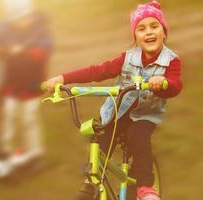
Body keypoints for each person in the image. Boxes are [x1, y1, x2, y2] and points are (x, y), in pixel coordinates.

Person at [43, 1, 181, 199]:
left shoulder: (171, 61)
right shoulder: (127, 58)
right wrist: (63, 79)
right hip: (118, 111)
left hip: (145, 115)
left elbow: (176, 85)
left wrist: (164, 83)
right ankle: (93, 180)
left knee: (138, 138)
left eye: (154, 26)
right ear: (135, 37)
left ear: (164, 32)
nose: (148, 32)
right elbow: (97, 71)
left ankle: (145, 187)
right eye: (141, 29)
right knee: (100, 141)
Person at [0, 0, 52, 179]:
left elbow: (45, 50)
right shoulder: (3, 28)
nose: (22, 21)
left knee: (29, 118)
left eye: (25, 17)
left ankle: (35, 155)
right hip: (10, 84)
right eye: (18, 18)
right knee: (8, 116)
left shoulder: (39, 28)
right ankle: (5, 154)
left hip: (33, 84)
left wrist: (24, 52)